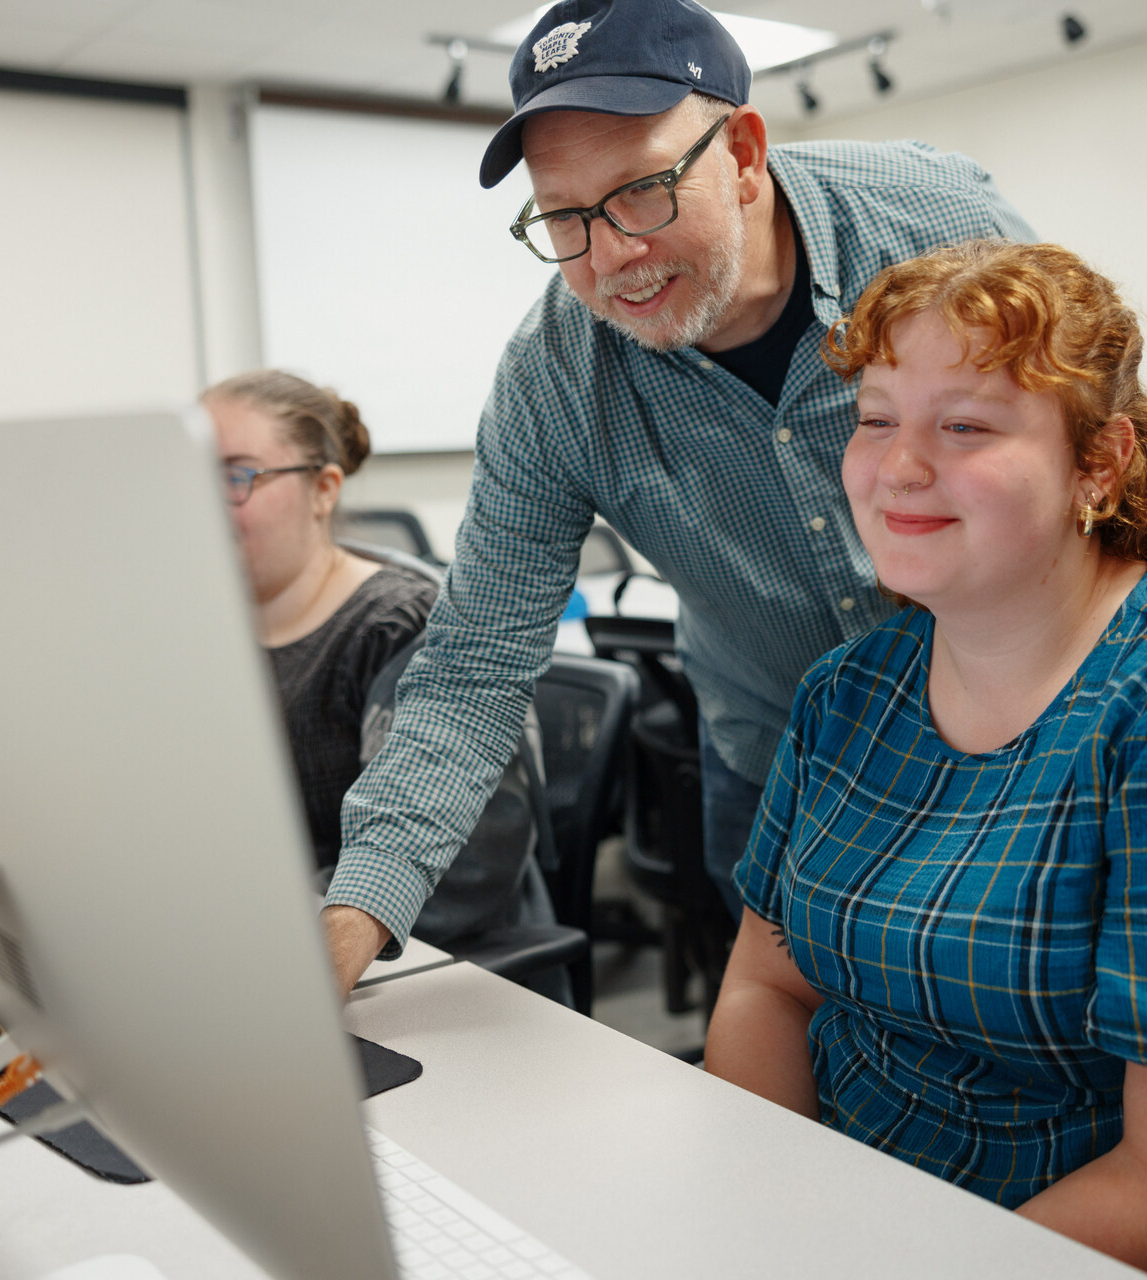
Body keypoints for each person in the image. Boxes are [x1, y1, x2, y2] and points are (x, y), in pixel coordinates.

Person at [321, 0, 1036, 992]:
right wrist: (350, 919)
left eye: (641, 192)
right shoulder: (556, 379)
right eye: (564, 218)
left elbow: (1096, 462)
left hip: (1030, 739)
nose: (611, 256)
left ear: (743, 154)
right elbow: (473, 670)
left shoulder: (933, 227)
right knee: (807, 1087)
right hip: (782, 761)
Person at [703, 240, 1147, 1279]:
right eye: (877, 418)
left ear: (1099, 463)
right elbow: (767, 985)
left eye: (967, 425)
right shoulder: (852, 687)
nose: (898, 466)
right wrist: (778, 1218)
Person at [0, 371, 545, 954]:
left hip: (410, 977)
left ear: (324, 489)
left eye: (235, 477)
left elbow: (461, 874)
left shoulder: (400, 627)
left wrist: (194, 913)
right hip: (228, 955)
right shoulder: (194, 623)